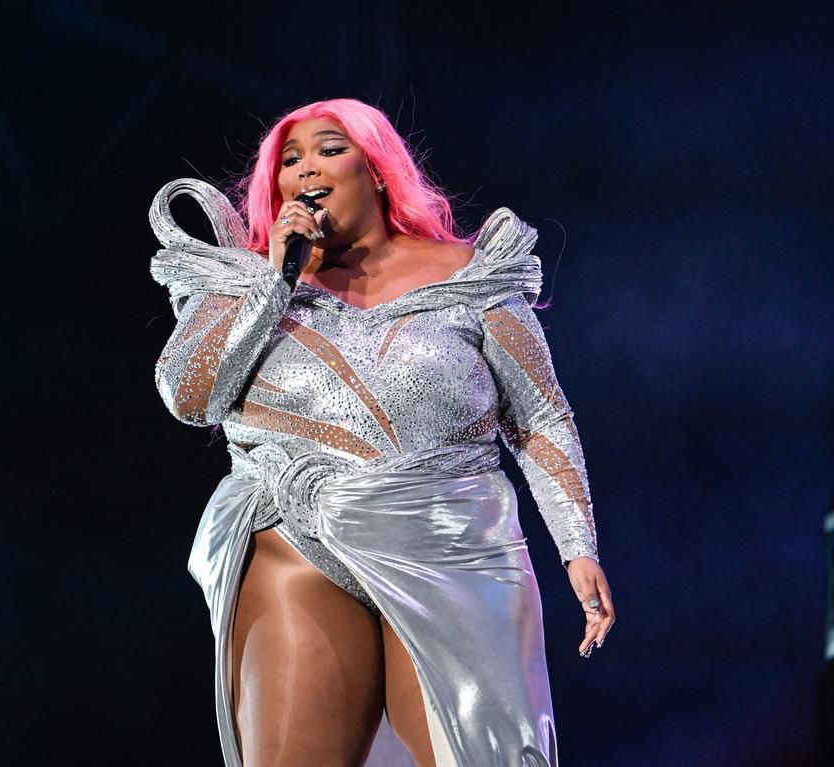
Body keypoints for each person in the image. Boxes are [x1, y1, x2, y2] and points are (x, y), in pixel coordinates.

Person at [147, 98, 616, 767]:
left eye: (329, 148)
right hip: (296, 539)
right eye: (289, 159)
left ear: (377, 168)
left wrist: (577, 542)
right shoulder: (240, 283)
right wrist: (275, 283)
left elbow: (540, 416)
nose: (306, 166)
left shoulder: (471, 275)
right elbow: (189, 396)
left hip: (454, 542)